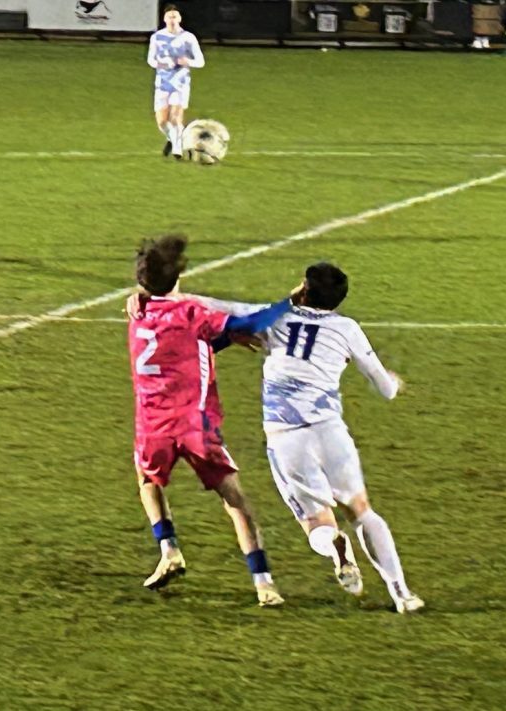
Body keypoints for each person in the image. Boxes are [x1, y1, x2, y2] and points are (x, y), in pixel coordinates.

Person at [185, 264, 424, 614]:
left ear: (304, 290)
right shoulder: (347, 328)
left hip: (287, 440)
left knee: (317, 525)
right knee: (361, 510)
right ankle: (402, 594)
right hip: (330, 432)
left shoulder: (275, 319)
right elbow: (385, 389)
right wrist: (394, 382)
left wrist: (162, 296)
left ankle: (336, 546)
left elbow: (219, 305)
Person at [128, 235, 292, 607]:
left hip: (152, 424)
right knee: (234, 500)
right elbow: (252, 321)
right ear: (178, 276)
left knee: (148, 479)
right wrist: (289, 303)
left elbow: (182, 344)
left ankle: (169, 549)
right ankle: (264, 584)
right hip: (193, 425)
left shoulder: (137, 313)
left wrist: (227, 339)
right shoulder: (191, 313)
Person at [146, 5, 205, 159]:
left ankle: (177, 149)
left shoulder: (188, 38)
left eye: (174, 16)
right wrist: (162, 64)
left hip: (180, 83)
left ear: (179, 19)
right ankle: (171, 138)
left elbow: (200, 62)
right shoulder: (157, 37)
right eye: (169, 16)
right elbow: (151, 60)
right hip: (162, 83)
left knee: (175, 117)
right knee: (162, 122)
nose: (172, 19)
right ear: (164, 19)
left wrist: (187, 61)